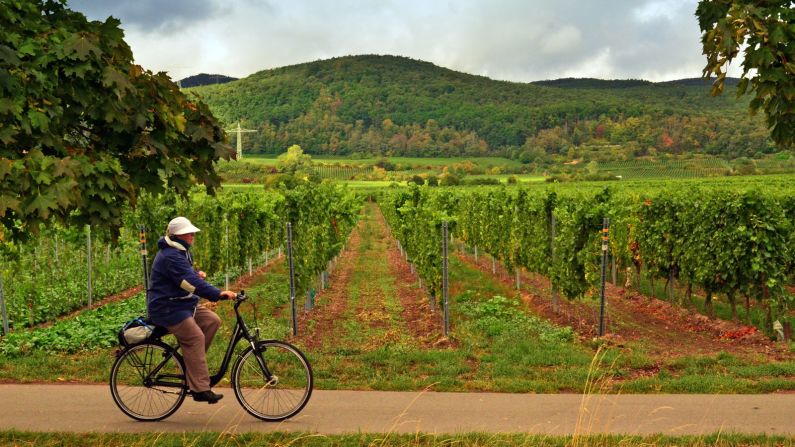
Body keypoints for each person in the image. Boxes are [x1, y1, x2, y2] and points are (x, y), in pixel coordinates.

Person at [147, 216, 236, 404]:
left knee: (212, 321)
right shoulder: (170, 255)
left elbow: (185, 275)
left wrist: (196, 274)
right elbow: (189, 282)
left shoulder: (181, 252)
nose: (192, 236)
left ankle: (193, 367)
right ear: (178, 236)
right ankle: (200, 389)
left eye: (192, 233)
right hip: (167, 308)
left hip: (182, 304)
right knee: (195, 337)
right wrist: (218, 293)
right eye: (188, 234)